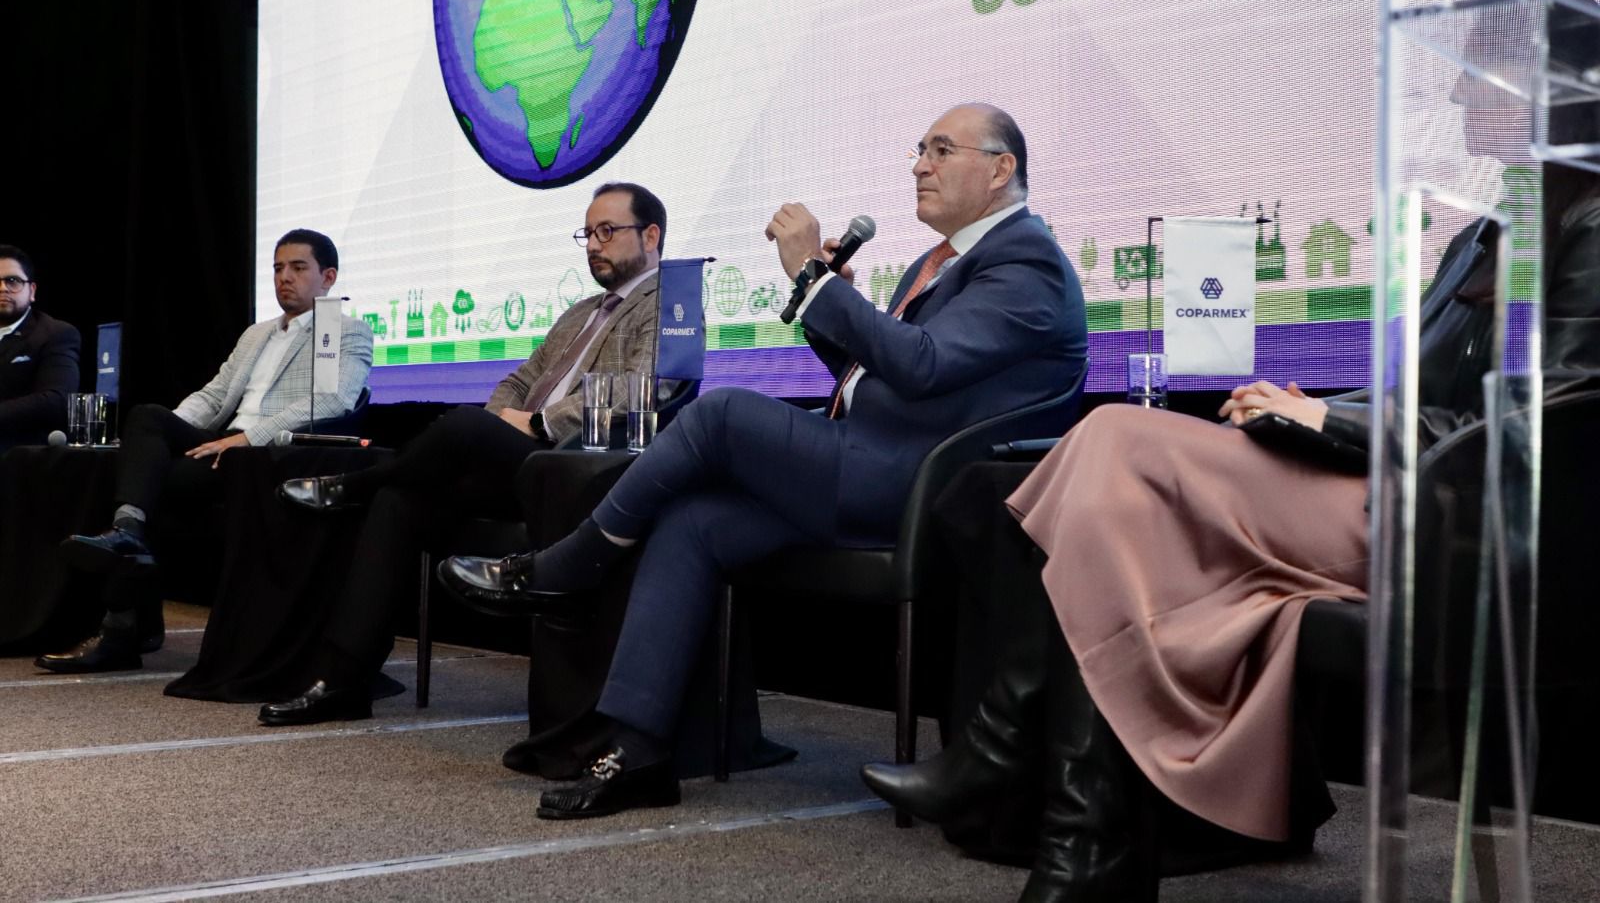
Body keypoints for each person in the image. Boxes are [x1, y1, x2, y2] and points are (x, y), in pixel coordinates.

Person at [860, 0, 1600, 902]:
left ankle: (1008, 759)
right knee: (1113, 504)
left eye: (1482, 68)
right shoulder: (1487, 235)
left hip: (1455, 525)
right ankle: (1078, 851)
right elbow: (1418, 394)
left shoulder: (1591, 227)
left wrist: (1333, 427)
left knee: (1112, 443)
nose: (1456, 94)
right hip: (1394, 483)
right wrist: (1311, 405)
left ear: (1553, 83)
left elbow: (1543, 432)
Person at [439, 103, 1090, 818]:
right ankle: (638, 751)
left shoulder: (1026, 259)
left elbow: (923, 364)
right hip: (871, 461)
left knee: (719, 413)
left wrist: (816, 277)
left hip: (917, 485)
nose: (919, 166)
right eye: (920, 149)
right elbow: (878, 376)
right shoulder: (949, 261)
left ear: (1000, 169)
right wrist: (825, 299)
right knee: (693, 523)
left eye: (940, 150)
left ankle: (568, 566)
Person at [252, 182, 668, 725]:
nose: (593, 244)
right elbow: (518, 380)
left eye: (607, 231)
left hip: (575, 465)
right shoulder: (579, 311)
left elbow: (643, 389)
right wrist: (502, 420)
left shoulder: (667, 303)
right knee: (402, 500)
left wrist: (536, 422)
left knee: (461, 429)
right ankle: (344, 680)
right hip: (517, 458)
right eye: (587, 233)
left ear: (651, 236)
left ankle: (355, 484)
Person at [37, 229, 374, 674]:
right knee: (147, 424)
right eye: (277, 268)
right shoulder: (257, 334)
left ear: (328, 277)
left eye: (297, 268)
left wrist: (247, 439)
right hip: (223, 444)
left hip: (269, 453)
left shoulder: (347, 331)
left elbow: (335, 401)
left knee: (142, 481)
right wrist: (167, 435)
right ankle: (127, 531)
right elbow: (214, 397)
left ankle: (122, 628)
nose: (284, 278)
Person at [0, 244, 81, 453]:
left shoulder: (54, 334)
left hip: (19, 454)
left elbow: (57, 400)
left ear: (32, 291)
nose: (3, 288)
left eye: (12, 281)